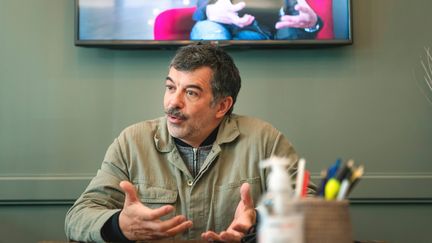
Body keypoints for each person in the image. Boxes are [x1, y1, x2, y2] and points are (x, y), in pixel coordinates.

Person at [65, 43, 314, 242]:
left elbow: (310, 206)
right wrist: (119, 225)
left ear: (222, 105)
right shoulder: (131, 142)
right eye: (170, 87)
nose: (173, 102)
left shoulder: (264, 140)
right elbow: (78, 216)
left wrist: (258, 222)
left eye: (191, 92)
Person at [190, 0, 323, 40]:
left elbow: (296, 22)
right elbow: (199, 10)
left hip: (256, 33)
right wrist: (208, 10)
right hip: (213, 25)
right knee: (206, 30)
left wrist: (312, 24)